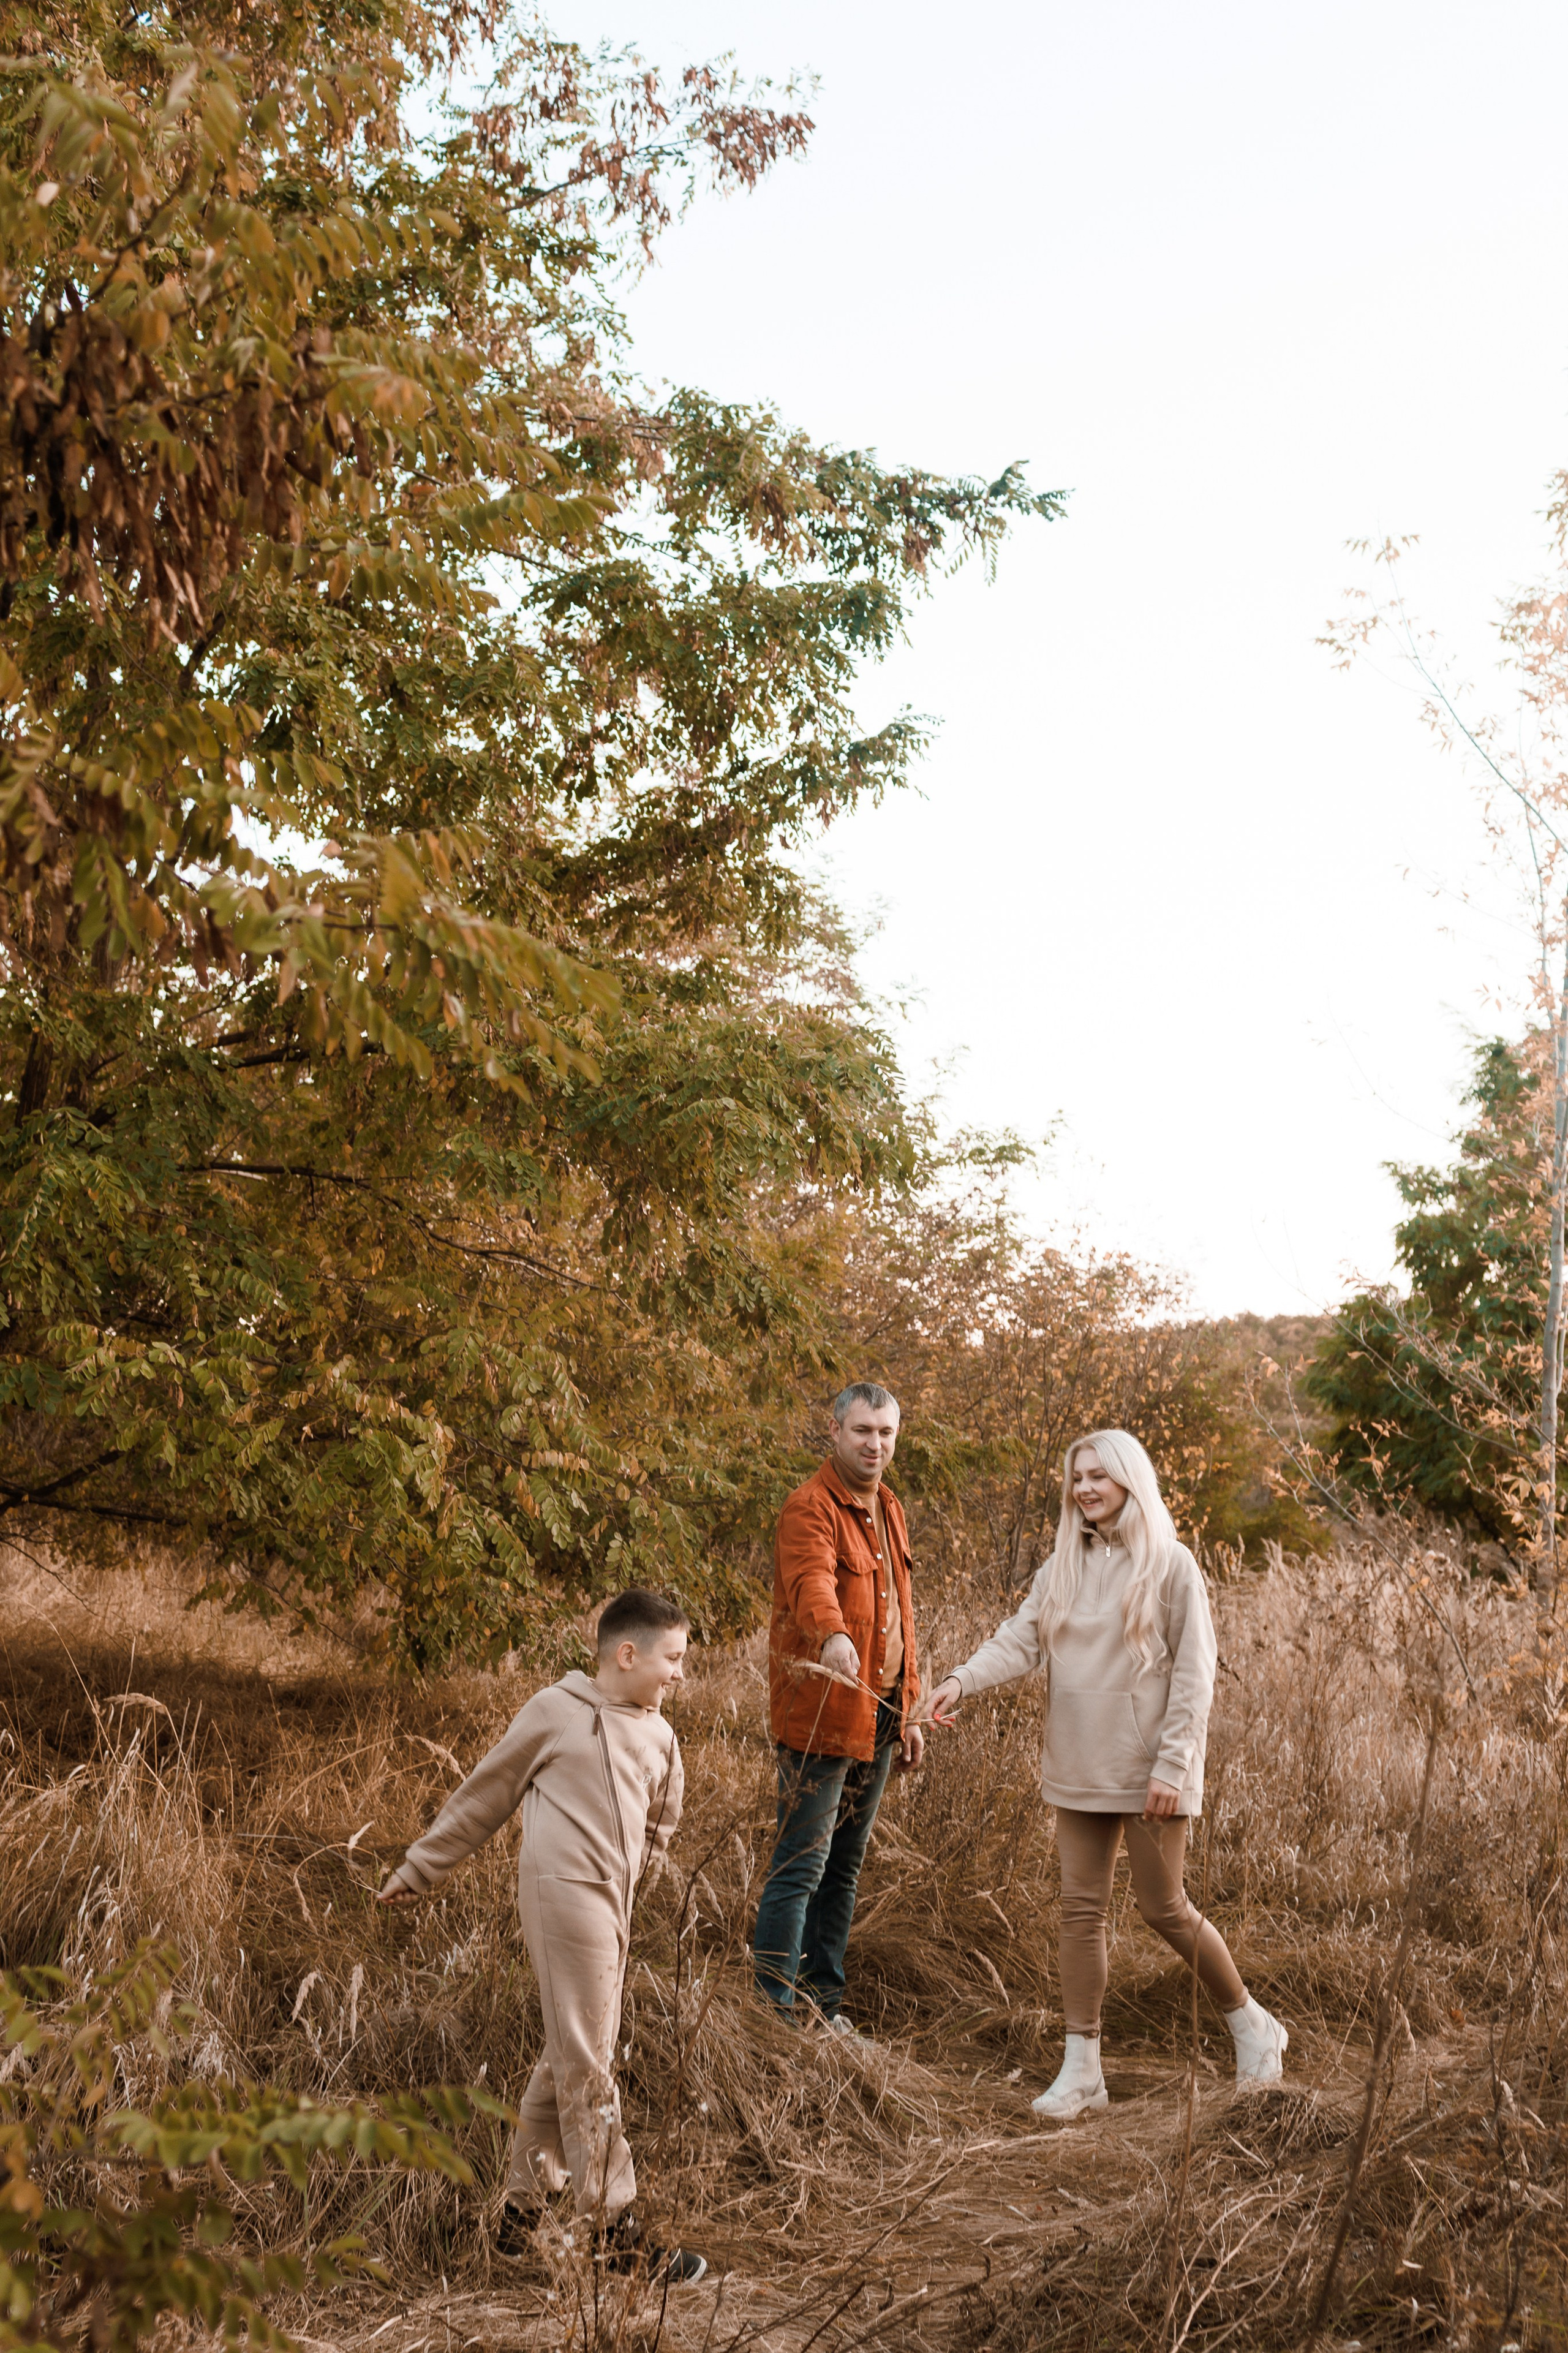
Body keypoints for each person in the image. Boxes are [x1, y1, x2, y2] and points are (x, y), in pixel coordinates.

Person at [929, 1430, 1287, 2119]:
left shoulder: (1173, 1565)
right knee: (1079, 1911)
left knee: (1164, 1908)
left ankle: (1253, 2025)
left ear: (1130, 1478)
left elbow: (1195, 1673)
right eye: (1077, 1477)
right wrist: (958, 1680)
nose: (1085, 1487)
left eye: (1099, 1475)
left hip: (1150, 1768)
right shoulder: (1062, 1564)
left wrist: (1174, 1764)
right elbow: (1020, 1638)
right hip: (1078, 1761)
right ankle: (1082, 2068)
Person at [377, 1587, 706, 2284]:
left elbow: (663, 1819)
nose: (680, 1673)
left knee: (566, 2056)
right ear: (627, 1654)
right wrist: (421, 1866)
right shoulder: (557, 1712)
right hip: (562, 1899)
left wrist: (639, 1878)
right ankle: (614, 2229)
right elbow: (486, 1792)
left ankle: (518, 2219)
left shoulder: (659, 1734)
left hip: (614, 1905)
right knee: (588, 2059)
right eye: (672, 1658)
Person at [753, 1382, 924, 2035]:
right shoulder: (810, 1507)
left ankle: (824, 2007)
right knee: (802, 1865)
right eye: (862, 1431)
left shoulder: (891, 1508)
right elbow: (810, 1582)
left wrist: (906, 1711)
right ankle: (774, 2013)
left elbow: (902, 1616)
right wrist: (832, 1636)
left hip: (878, 1717)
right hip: (821, 1712)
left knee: (844, 1868)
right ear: (834, 1430)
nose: (874, 1444)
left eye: (884, 1432)